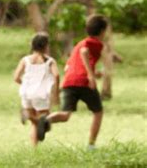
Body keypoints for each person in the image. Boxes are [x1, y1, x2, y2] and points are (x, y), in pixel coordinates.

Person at [37, 15, 108, 150]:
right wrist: (91, 76)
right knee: (98, 112)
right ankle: (91, 145)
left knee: (65, 115)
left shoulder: (78, 44)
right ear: (103, 31)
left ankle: (46, 120)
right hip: (84, 82)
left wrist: (93, 72)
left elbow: (68, 67)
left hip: (69, 81)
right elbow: (84, 52)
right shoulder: (95, 43)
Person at [13, 33, 59, 146]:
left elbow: (16, 77)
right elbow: (57, 75)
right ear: (46, 46)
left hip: (26, 92)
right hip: (41, 94)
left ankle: (34, 149)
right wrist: (56, 91)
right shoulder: (50, 61)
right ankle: (29, 117)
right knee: (44, 120)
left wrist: (25, 85)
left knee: (36, 124)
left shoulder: (25, 60)